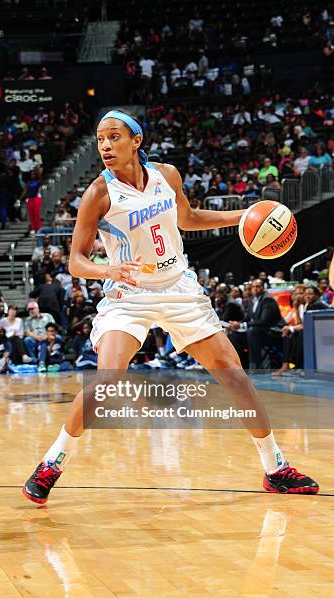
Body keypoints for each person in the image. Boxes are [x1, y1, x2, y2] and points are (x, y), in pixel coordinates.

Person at [22, 108, 318, 506]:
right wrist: (109, 268)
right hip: (130, 294)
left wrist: (246, 216)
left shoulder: (167, 175)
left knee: (234, 375)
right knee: (107, 380)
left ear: (136, 141)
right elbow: (76, 260)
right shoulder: (99, 193)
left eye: (114, 137)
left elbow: (188, 217)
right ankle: (51, 463)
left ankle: (275, 468)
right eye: (100, 139)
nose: (105, 146)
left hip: (179, 288)